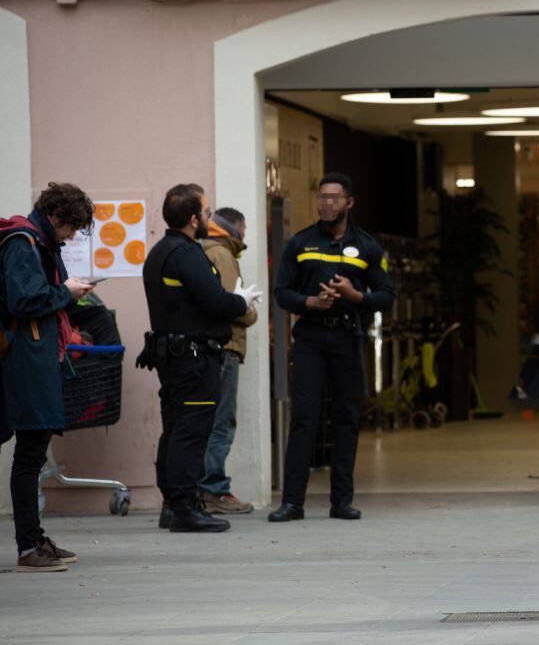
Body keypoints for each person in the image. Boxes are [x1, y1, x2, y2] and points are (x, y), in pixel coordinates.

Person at [269, 173, 394, 523]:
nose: (327, 204)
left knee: (346, 419)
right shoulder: (301, 243)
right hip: (309, 338)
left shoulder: (367, 246)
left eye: (334, 198)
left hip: (346, 337)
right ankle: (292, 502)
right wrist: (309, 302)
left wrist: (358, 297)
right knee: (304, 418)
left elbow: (387, 295)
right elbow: (282, 291)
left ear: (349, 203)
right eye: (322, 198)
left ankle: (342, 501)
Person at [139, 184, 262, 533]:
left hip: (174, 355)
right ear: (194, 219)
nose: (209, 217)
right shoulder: (187, 254)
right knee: (191, 432)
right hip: (193, 358)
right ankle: (184, 507)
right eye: (207, 212)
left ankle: (172, 504)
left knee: (176, 429)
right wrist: (241, 302)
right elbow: (214, 302)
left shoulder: (160, 251)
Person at [0, 183, 96, 572]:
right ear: (56, 217)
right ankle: (28, 547)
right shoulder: (24, 243)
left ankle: (34, 539)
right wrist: (66, 292)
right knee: (29, 452)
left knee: (32, 450)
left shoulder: (38, 242)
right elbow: (25, 300)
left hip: (33, 355)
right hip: (24, 358)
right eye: (71, 228)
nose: (72, 237)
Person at [197, 207, 257, 515]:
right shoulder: (222, 255)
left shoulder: (200, 250)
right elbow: (234, 304)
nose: (244, 235)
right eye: (243, 229)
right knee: (221, 423)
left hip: (207, 348)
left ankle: (201, 488)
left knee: (205, 420)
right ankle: (214, 489)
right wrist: (253, 312)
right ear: (232, 229)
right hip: (226, 347)